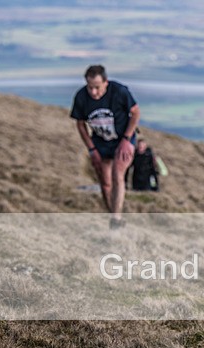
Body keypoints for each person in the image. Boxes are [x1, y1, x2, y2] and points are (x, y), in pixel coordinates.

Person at [70, 65, 140, 229]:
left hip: (123, 139)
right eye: (90, 87)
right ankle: (114, 216)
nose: (93, 92)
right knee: (105, 183)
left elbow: (136, 113)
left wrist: (126, 139)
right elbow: (80, 124)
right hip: (100, 142)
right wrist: (91, 149)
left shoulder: (119, 91)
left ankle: (115, 219)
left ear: (105, 83)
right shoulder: (81, 97)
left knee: (117, 174)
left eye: (97, 87)